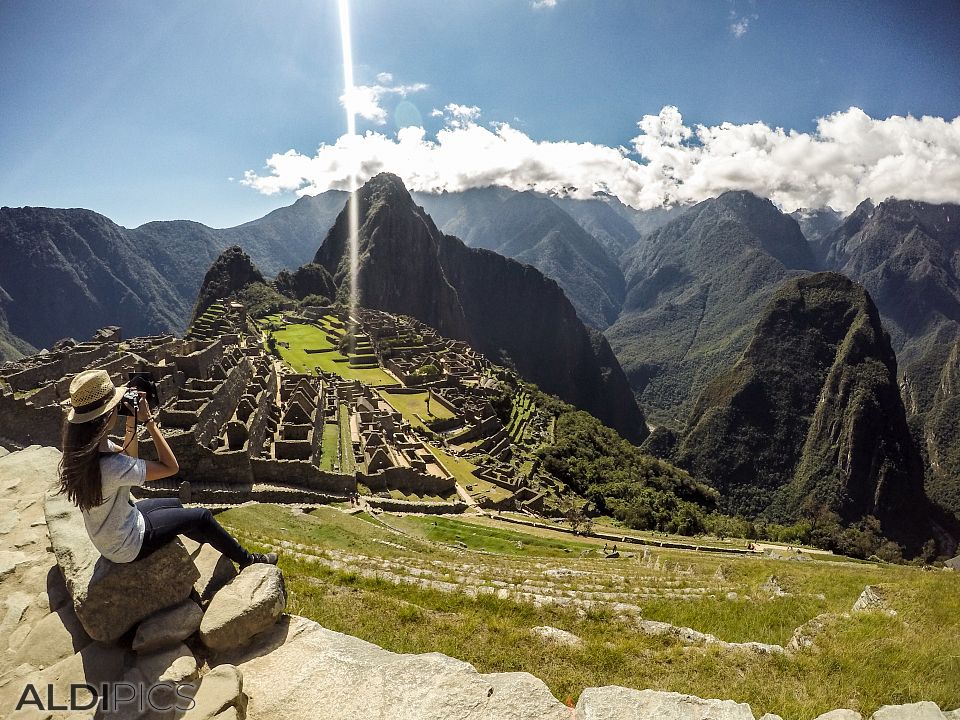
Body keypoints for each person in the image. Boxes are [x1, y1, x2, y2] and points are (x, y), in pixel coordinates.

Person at [57, 369, 277, 569]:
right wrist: (150, 422)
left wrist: (132, 422)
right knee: (202, 516)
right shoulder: (110, 465)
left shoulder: (83, 450)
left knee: (175, 503)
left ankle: (212, 542)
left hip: (111, 532)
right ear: (106, 416)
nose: (118, 407)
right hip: (126, 545)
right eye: (115, 405)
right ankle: (248, 560)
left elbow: (129, 459)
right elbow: (171, 467)